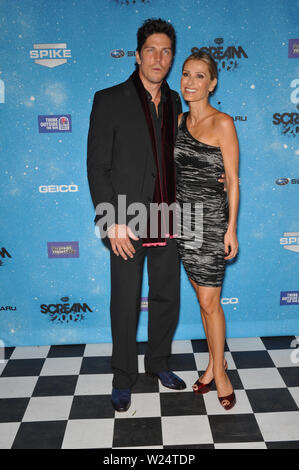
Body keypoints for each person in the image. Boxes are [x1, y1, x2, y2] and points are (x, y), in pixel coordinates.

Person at [87, 18, 187, 413]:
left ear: (171, 57)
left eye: (165, 51)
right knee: (125, 301)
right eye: (151, 50)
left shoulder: (178, 102)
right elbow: (97, 167)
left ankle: (159, 363)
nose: (158, 58)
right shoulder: (108, 99)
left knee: (167, 297)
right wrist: (110, 221)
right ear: (137, 55)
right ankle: (123, 376)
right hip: (124, 219)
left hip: (172, 215)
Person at [174, 51, 239, 410]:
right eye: (186, 74)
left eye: (200, 76)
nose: (191, 82)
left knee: (210, 302)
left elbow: (232, 181)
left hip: (212, 222)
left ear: (212, 83)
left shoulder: (224, 123)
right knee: (203, 301)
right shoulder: (179, 121)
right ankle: (214, 363)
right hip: (184, 223)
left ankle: (222, 372)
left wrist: (230, 229)